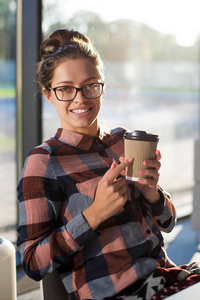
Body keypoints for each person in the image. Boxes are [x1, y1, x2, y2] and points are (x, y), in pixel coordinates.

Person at [17, 29, 177, 299]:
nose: (80, 98)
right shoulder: (43, 162)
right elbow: (32, 263)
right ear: (48, 95)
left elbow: (168, 223)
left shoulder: (122, 141)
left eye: (90, 85)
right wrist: (94, 215)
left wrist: (153, 194)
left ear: (101, 86)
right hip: (118, 293)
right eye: (65, 89)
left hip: (165, 278)